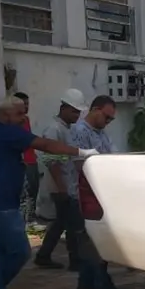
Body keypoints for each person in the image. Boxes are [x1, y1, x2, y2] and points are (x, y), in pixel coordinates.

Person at [0, 97, 99, 289]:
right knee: (20, 252)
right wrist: (82, 152)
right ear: (7, 116)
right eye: (21, 114)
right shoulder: (10, 132)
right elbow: (46, 146)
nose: (25, 118)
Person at [71, 95, 129, 289]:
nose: (108, 122)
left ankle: (86, 282)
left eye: (111, 119)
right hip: (84, 191)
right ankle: (102, 283)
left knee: (91, 238)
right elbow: (81, 164)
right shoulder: (79, 132)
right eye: (106, 117)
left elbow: (113, 155)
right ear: (94, 110)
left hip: (99, 191)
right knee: (95, 238)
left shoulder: (101, 134)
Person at [34, 89, 85, 270]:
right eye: (74, 111)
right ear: (63, 108)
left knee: (61, 222)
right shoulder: (54, 129)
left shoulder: (66, 129)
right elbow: (50, 160)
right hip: (59, 185)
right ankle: (75, 260)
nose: (77, 115)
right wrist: (62, 187)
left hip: (66, 183)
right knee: (73, 224)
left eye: (79, 112)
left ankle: (44, 255)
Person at [15, 92, 40, 225]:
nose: (26, 107)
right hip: (24, 162)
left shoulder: (26, 119)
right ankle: (26, 220)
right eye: (23, 104)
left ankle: (31, 217)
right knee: (26, 192)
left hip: (32, 159)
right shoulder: (14, 122)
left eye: (27, 104)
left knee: (34, 189)